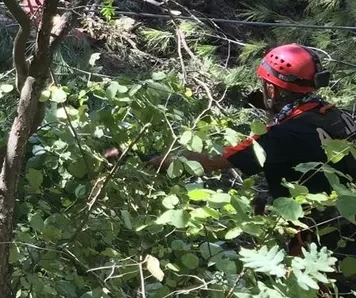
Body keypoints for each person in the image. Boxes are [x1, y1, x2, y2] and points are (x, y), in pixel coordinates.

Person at [151, 44, 356, 201]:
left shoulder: (282, 136)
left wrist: (155, 160)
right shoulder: (335, 114)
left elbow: (211, 161)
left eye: (264, 85)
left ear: (272, 89)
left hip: (320, 232)